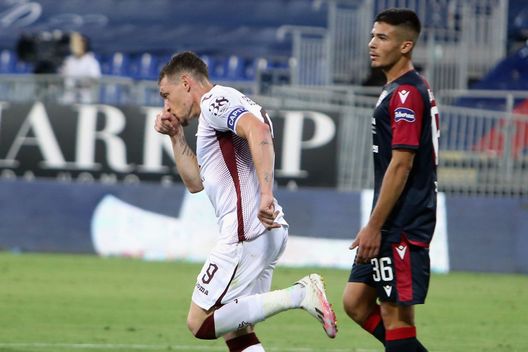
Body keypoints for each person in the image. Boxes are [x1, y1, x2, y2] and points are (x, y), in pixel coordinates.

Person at [154, 51, 337, 351]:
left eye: (166, 95)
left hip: (245, 233)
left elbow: (258, 130)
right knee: (236, 330)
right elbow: (195, 183)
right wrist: (176, 136)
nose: (165, 105)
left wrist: (266, 193)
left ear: (185, 83)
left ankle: (299, 294)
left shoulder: (215, 102)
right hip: (266, 231)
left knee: (200, 322)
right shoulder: (215, 115)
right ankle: (299, 295)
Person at [343, 8, 440, 352]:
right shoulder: (396, 90)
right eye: (373, 35)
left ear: (405, 46)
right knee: (355, 301)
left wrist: (374, 226)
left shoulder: (406, 95)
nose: (372, 43)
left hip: (402, 222)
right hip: (391, 221)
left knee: (397, 317)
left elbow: (401, 164)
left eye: (382, 37)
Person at [60, 32, 101, 103]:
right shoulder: (69, 61)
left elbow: (95, 79)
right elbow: (62, 77)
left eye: (78, 44)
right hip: (69, 98)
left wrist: (80, 83)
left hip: (86, 98)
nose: (75, 46)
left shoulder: (91, 61)